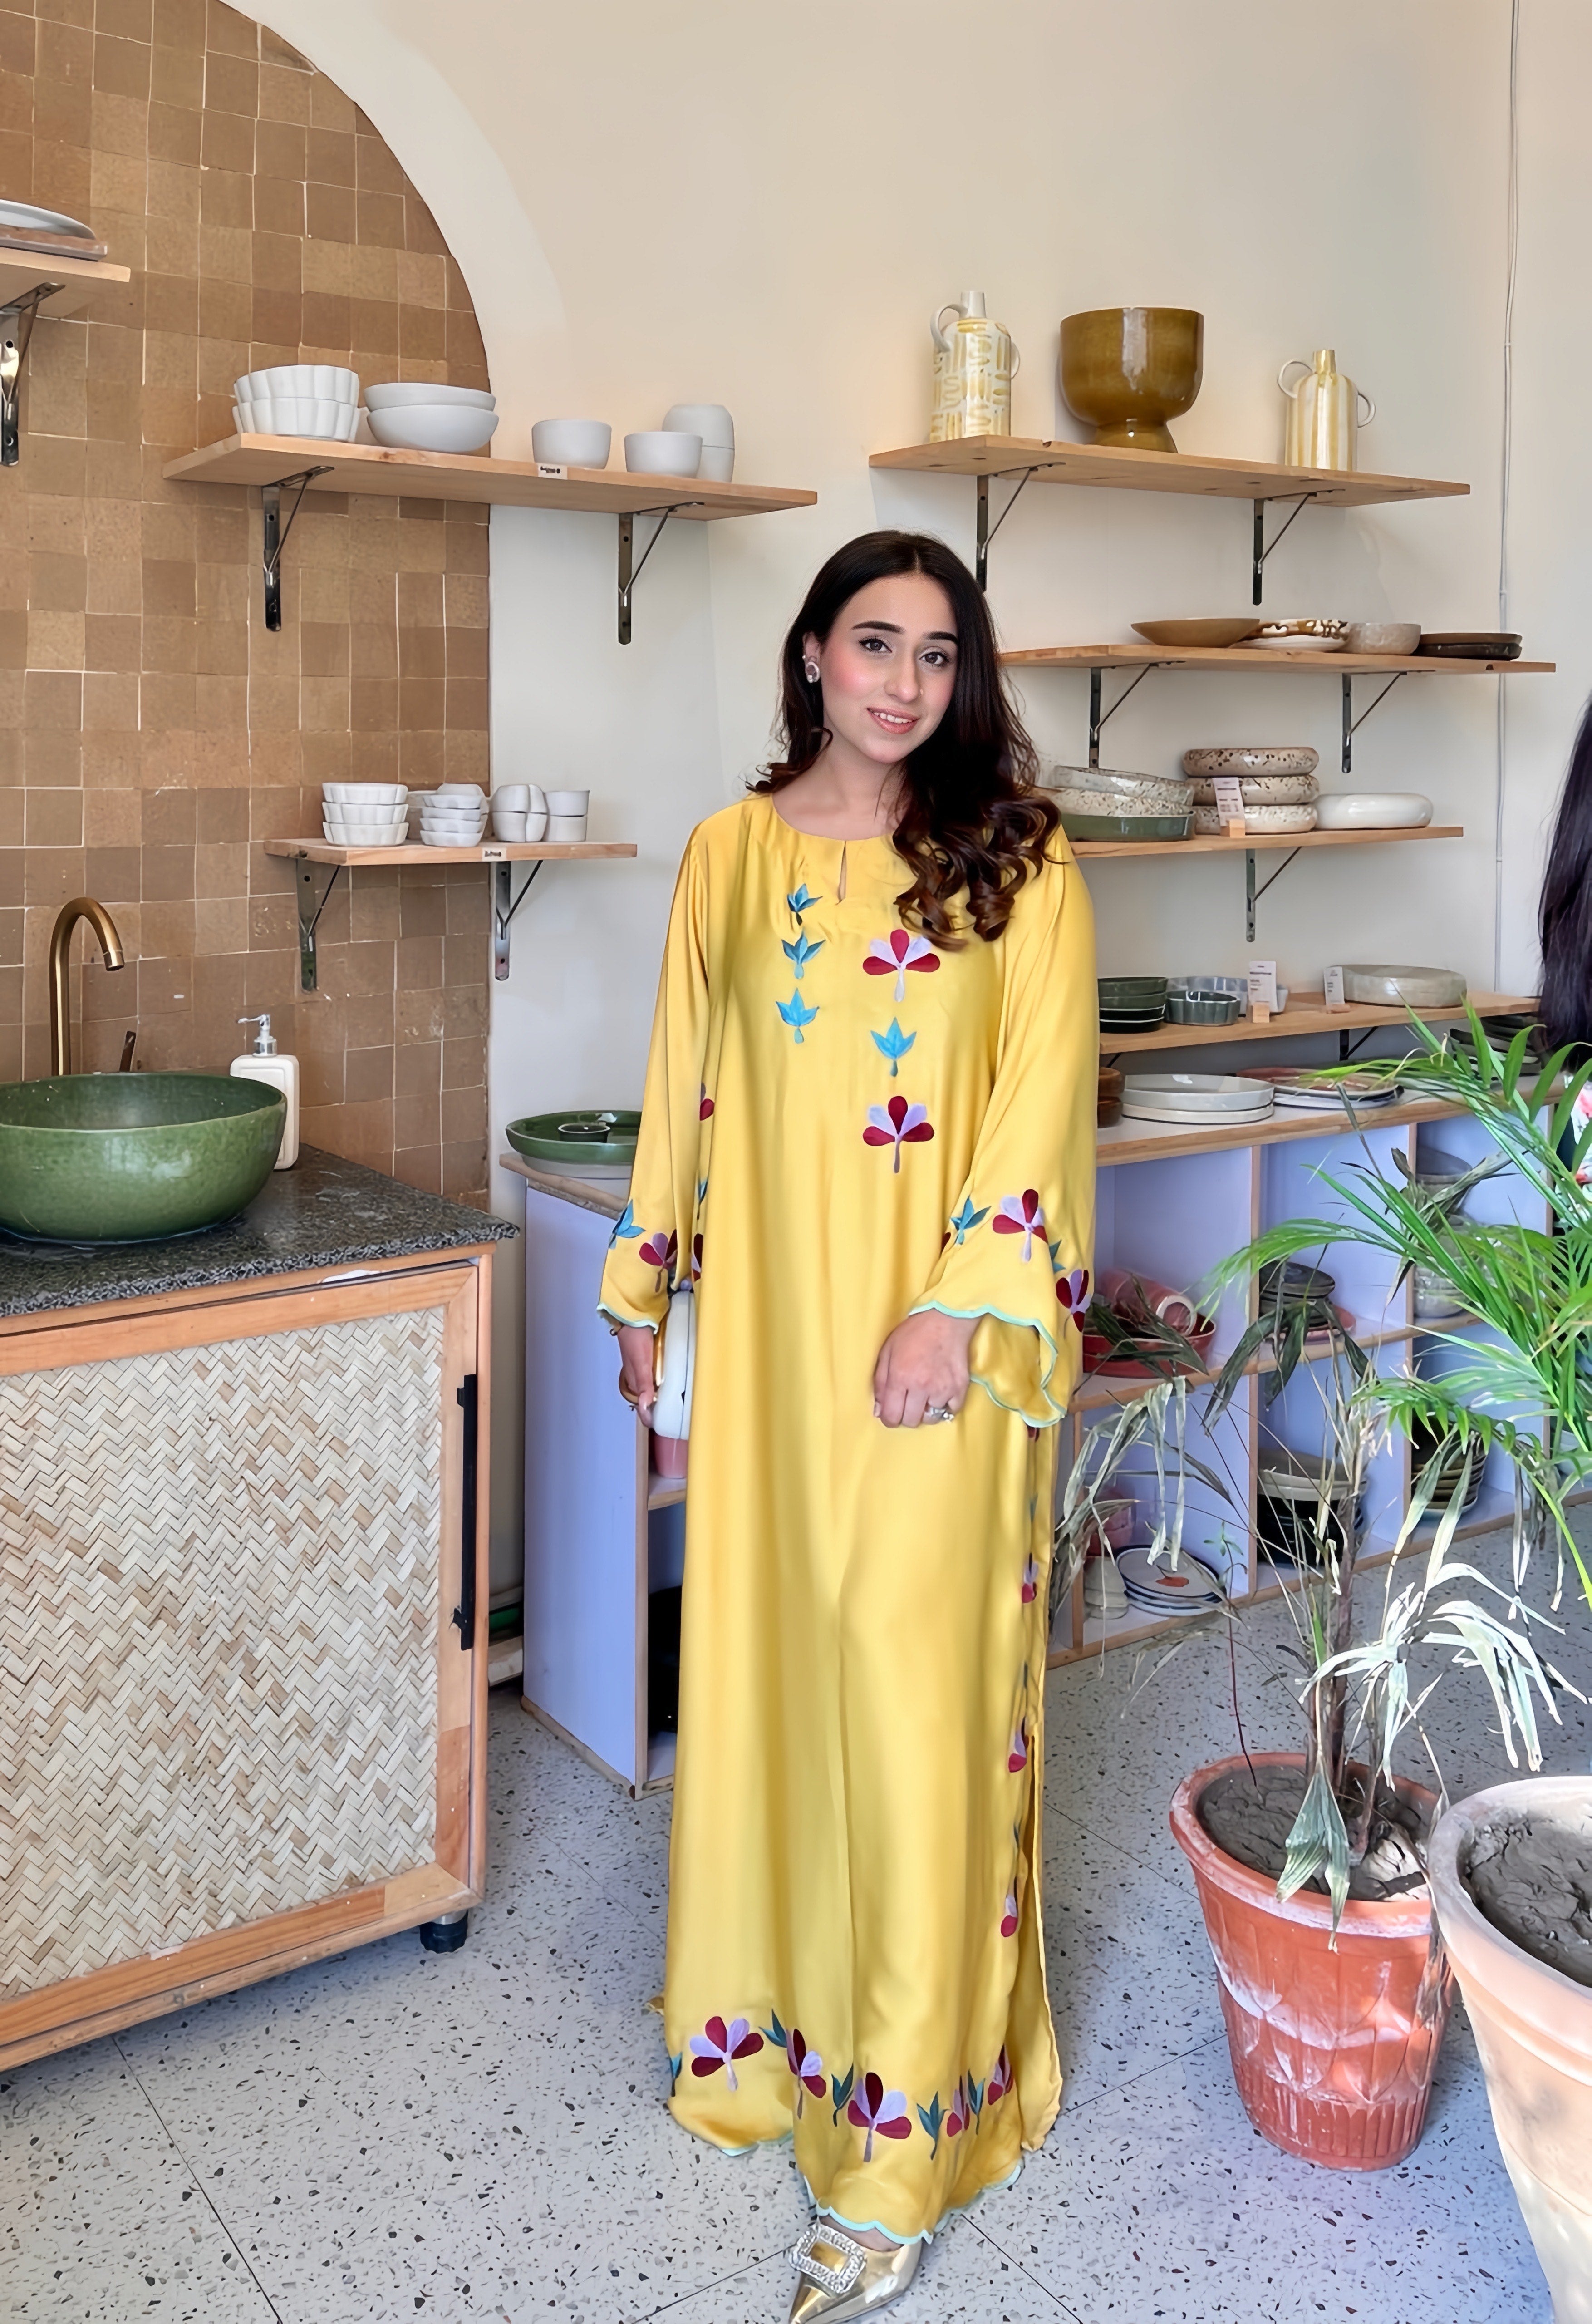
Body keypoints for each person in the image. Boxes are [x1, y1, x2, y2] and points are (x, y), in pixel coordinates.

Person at [599, 530, 1097, 2319]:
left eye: (940, 653)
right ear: (811, 654)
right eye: (873, 643)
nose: (905, 679)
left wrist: (959, 1304)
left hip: (930, 1368)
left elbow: (1041, 1105)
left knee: (912, 1711)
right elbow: (681, 1075)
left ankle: (899, 2143)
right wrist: (646, 1296)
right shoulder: (730, 856)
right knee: (771, 1690)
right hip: (772, 1364)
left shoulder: (1020, 862)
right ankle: (760, 2050)